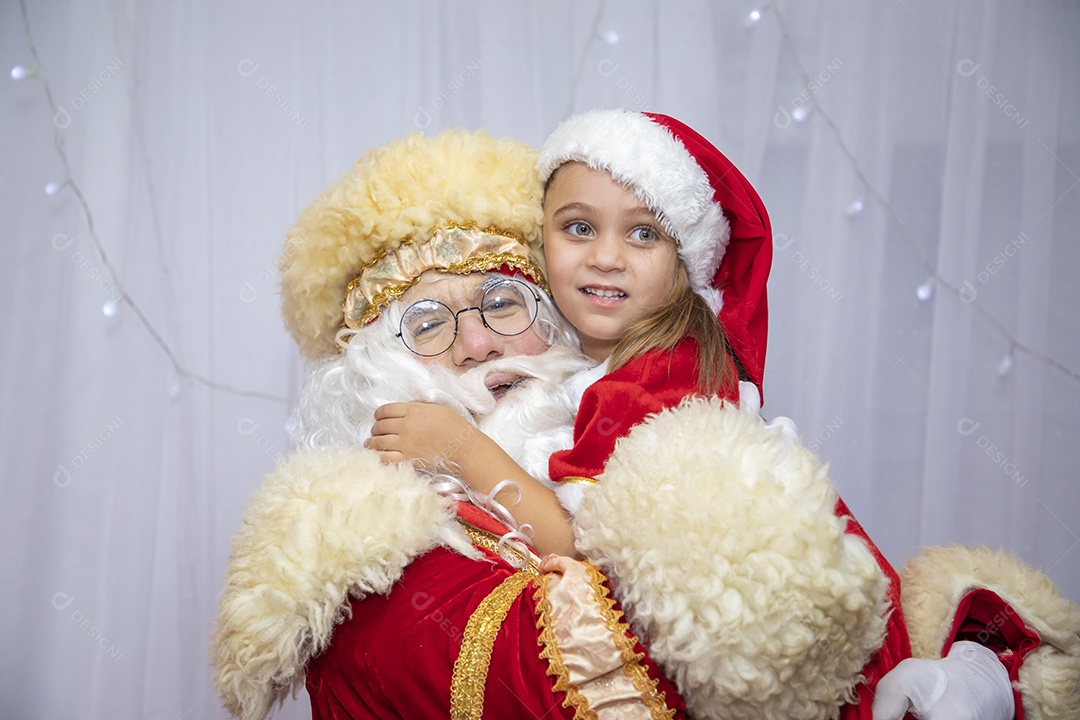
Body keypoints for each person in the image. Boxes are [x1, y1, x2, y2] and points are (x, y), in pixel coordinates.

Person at [363, 110, 1080, 719]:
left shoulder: (651, 377)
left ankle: (980, 673)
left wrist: (459, 446)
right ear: (539, 240)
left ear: (686, 261)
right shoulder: (586, 362)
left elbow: (586, 547)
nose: (607, 257)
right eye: (579, 227)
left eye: (644, 234)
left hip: (813, 632)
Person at [211, 128, 690, 719]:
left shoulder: (644, 434)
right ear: (371, 369)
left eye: (502, 303)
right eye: (430, 323)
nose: (479, 344)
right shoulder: (378, 565)